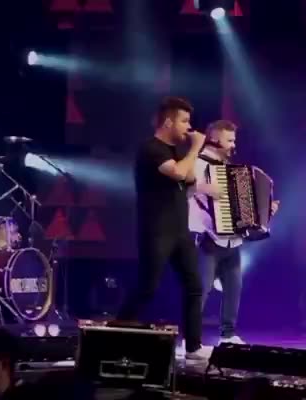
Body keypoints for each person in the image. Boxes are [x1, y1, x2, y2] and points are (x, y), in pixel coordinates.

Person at [117, 96, 208, 360]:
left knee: (194, 285)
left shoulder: (176, 152)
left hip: (180, 230)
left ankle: (193, 347)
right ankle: (113, 335)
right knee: (147, 286)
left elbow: (189, 179)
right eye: (184, 121)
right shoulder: (151, 149)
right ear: (168, 122)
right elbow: (178, 173)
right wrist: (196, 148)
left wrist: (191, 156)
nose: (188, 127)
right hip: (157, 230)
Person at [188, 120, 279, 344]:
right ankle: (191, 339)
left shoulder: (229, 168)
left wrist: (264, 211)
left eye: (234, 140)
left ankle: (227, 335)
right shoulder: (197, 163)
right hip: (207, 238)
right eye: (229, 140)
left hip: (232, 240)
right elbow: (181, 188)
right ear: (215, 139)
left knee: (233, 289)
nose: (233, 145)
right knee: (201, 291)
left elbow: (242, 207)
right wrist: (203, 187)